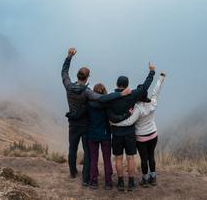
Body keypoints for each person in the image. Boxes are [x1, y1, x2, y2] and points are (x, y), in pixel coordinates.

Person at [61, 48, 131, 186]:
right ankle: (86, 179)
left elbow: (64, 72)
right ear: (87, 78)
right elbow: (103, 98)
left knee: (72, 148)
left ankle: (73, 172)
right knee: (88, 153)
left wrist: (69, 57)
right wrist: (120, 94)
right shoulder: (87, 93)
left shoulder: (68, 86)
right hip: (85, 125)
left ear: (77, 76)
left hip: (73, 124)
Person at [105, 62, 156, 191]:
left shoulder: (111, 98)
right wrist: (151, 72)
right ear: (127, 85)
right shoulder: (132, 96)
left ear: (117, 84)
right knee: (130, 157)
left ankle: (121, 183)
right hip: (129, 133)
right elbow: (145, 87)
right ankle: (131, 183)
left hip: (116, 133)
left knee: (118, 158)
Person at [113, 72, 166, 187]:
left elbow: (129, 122)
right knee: (151, 156)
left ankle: (145, 179)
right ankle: (153, 177)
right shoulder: (152, 103)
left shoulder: (137, 108)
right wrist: (161, 78)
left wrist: (115, 123)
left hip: (141, 137)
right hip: (153, 134)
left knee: (144, 158)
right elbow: (156, 92)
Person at [86, 83, 130, 190]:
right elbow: (112, 119)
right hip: (105, 135)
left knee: (93, 160)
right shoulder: (107, 105)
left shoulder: (88, 104)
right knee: (107, 160)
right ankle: (108, 183)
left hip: (92, 135)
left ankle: (93, 182)